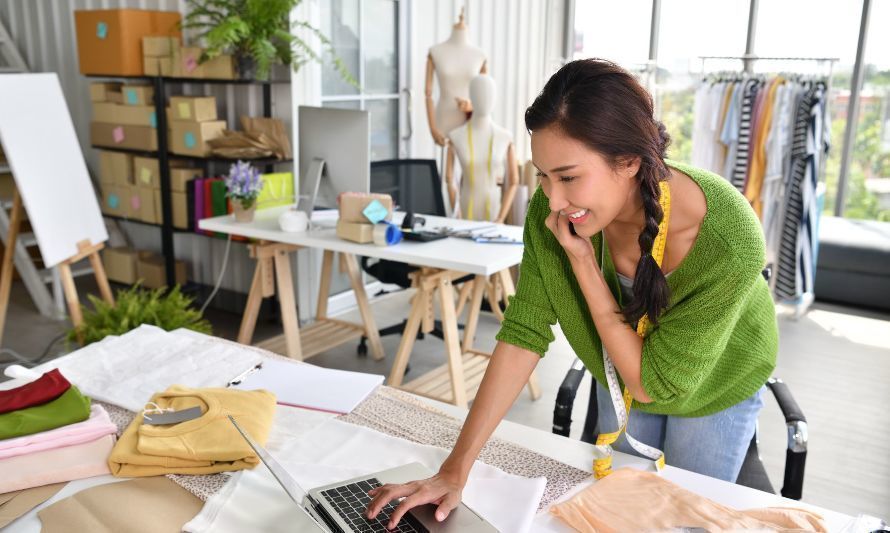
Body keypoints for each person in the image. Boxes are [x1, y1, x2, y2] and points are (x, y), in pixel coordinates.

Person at [365, 58, 778, 530]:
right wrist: (454, 470)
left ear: (629, 162)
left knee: (692, 521)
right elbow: (523, 332)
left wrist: (584, 264)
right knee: (625, 516)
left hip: (714, 386)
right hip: (622, 372)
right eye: (542, 175)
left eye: (567, 176)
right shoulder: (557, 209)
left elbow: (651, 384)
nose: (551, 199)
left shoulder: (727, 238)